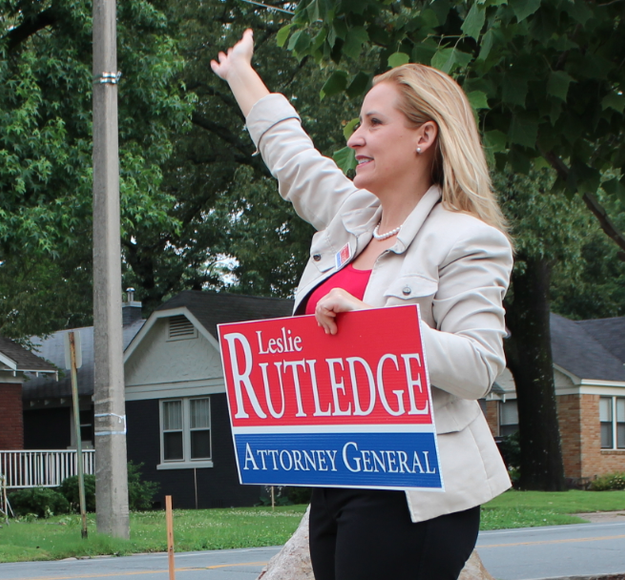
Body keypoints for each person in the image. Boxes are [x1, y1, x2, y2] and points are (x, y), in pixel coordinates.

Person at [212, 29, 513, 580]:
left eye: (375, 123)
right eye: (359, 122)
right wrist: (240, 74)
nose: (355, 137)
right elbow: (292, 156)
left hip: (413, 491)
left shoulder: (467, 239)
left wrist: (376, 327)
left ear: (425, 136)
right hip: (336, 477)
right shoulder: (351, 216)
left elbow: (479, 367)